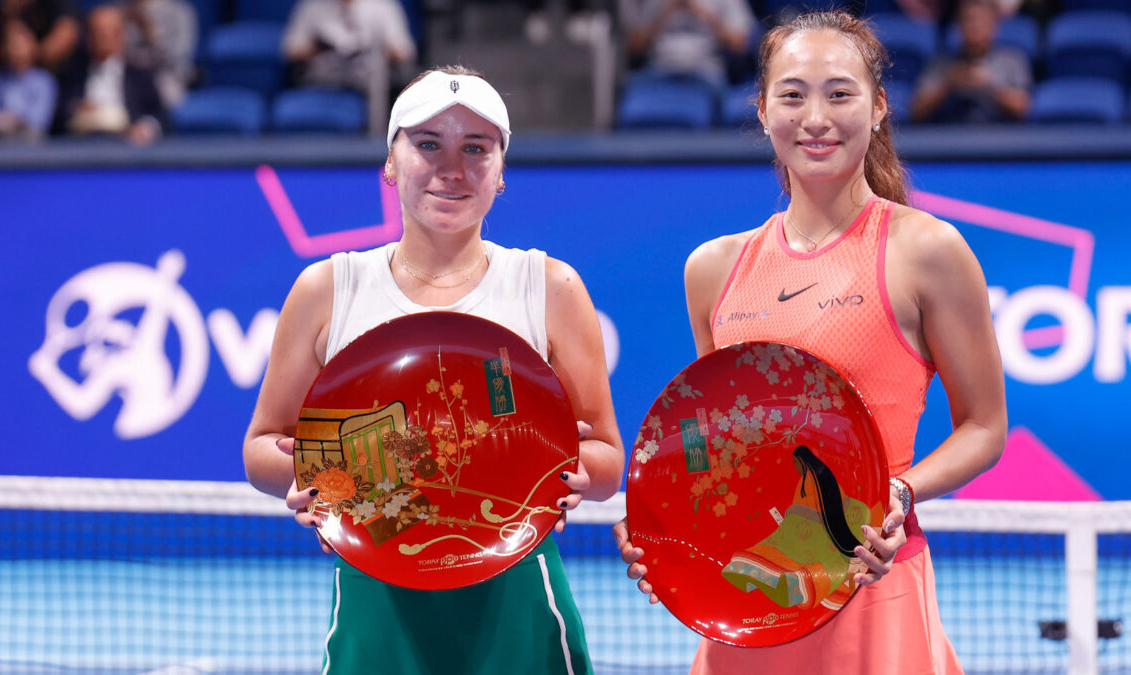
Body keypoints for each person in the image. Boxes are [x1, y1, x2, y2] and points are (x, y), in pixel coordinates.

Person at [612, 11, 1006, 673]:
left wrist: (898, 493)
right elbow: (728, 454)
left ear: (879, 108)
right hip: (748, 601)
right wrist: (670, 536)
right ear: (762, 111)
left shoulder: (927, 250)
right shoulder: (713, 269)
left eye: (840, 93)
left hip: (873, 589)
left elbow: (985, 427)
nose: (815, 116)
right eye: (792, 95)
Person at [242, 66, 624, 673]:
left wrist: (570, 472)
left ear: (501, 173)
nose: (452, 168)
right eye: (428, 145)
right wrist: (323, 478)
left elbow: (605, 459)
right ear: (389, 163)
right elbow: (262, 448)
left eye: (476, 149)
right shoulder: (327, 289)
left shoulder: (550, 286)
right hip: (375, 603)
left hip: (519, 600)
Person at [910, 0, 1031, 124]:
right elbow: (916, 111)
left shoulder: (1012, 60)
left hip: (999, 137)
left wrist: (988, 86)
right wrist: (948, 84)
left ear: (994, 26)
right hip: (950, 136)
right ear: (958, 25)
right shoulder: (942, 63)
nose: (975, 27)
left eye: (981, 21)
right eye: (968, 20)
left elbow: (1023, 108)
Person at [59, 4, 165, 144]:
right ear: (88, 38)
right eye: (97, 33)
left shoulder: (140, 75)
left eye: (108, 34)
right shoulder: (73, 74)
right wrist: (75, 109)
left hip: (127, 147)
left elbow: (160, 116)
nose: (102, 40)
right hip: (82, 146)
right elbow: (57, 115)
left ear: (121, 36)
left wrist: (145, 128)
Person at [281, 0, 416, 91]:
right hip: (325, 76)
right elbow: (291, 50)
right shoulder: (312, 5)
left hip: (371, 77)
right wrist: (316, 49)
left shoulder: (384, 5)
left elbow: (404, 52)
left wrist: (379, 51)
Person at [619, 0, 756, 89]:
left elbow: (740, 44)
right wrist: (666, 11)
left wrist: (701, 12)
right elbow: (635, 47)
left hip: (707, 72)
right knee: (628, 88)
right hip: (659, 68)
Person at [122, 0, 197, 108]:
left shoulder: (180, 13)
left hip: (163, 77)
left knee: (164, 93)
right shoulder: (121, 11)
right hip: (127, 76)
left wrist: (151, 33)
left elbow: (177, 61)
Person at [0, 19, 56, 139]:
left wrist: (12, 121)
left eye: (20, 43)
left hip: (32, 147)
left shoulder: (44, 81)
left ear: (33, 44)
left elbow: (39, 122)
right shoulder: (0, 80)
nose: (15, 49)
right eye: (11, 43)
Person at [0, 0, 78, 73]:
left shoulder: (58, 4)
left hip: (58, 77)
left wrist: (30, 53)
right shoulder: (4, 12)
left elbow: (66, 35)